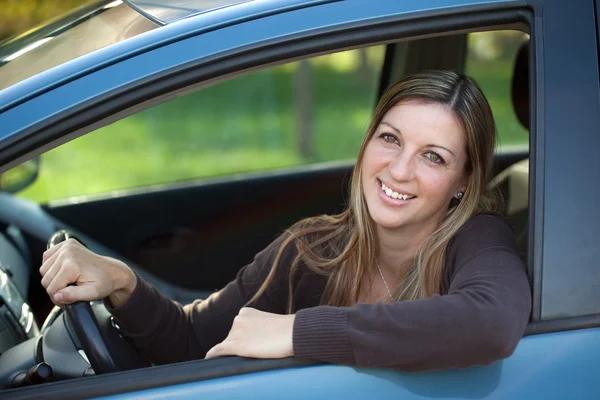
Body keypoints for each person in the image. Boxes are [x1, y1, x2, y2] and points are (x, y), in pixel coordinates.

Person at [39, 70, 531, 371]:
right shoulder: (312, 249)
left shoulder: (478, 237)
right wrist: (123, 282)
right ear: (366, 143)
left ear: (465, 180)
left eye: (434, 157)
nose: (400, 170)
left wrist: (297, 332)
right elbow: (193, 342)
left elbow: (489, 322)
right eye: (390, 139)